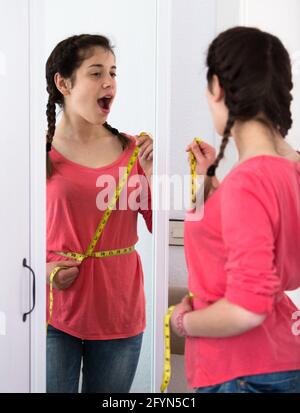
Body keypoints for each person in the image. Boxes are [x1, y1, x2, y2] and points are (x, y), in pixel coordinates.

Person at [170, 26, 300, 393]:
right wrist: (209, 183)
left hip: (242, 371)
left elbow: (247, 308)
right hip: (278, 359)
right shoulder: (288, 171)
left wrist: (182, 323)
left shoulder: (249, 183)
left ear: (217, 87)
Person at [45, 34, 153, 393]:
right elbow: (11, 235)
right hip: (53, 312)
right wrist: (46, 271)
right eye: (95, 73)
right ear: (63, 82)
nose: (109, 82)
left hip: (119, 311)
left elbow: (159, 218)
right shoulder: (36, 154)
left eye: (112, 72)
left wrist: (151, 175)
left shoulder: (133, 150)